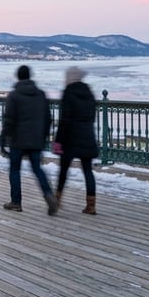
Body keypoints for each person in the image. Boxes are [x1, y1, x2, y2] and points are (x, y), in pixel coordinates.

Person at [1, 65, 57, 214]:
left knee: (15, 170)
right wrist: (43, 138)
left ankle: (16, 202)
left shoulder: (14, 95)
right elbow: (48, 119)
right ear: (30, 76)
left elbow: (8, 120)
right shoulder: (41, 94)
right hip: (36, 139)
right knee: (37, 169)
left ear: (18, 77)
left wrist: (3, 140)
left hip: (17, 140)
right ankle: (48, 194)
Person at [54, 66, 100, 214]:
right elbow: (92, 115)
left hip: (70, 138)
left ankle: (56, 200)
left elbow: (65, 120)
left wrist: (58, 140)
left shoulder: (69, 93)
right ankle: (91, 205)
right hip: (87, 136)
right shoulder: (88, 92)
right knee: (88, 171)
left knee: (63, 170)